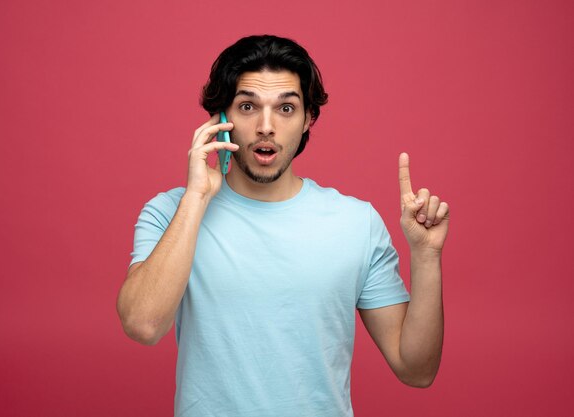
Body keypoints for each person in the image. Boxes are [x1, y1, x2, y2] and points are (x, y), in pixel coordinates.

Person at [116, 35, 450, 417]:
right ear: (220, 118)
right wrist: (196, 198)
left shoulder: (356, 223)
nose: (266, 126)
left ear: (309, 117)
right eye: (246, 106)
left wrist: (426, 256)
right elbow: (143, 325)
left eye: (286, 108)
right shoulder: (170, 213)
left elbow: (417, 370)